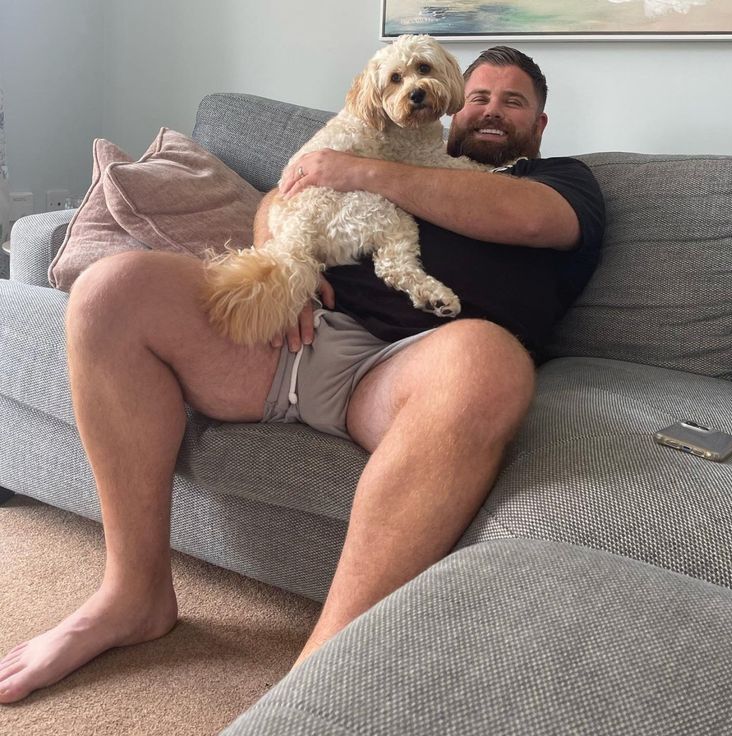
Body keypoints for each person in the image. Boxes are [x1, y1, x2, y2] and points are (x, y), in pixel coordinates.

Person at [0, 46, 604, 704]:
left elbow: (531, 220)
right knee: (112, 290)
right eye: (481, 96)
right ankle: (132, 594)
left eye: (513, 102)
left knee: (487, 362)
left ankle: (318, 678)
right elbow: (281, 198)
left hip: (409, 371)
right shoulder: (397, 146)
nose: (492, 110)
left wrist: (359, 171)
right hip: (294, 334)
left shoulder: (563, 182)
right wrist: (282, 253)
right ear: (456, 104)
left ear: (539, 126)